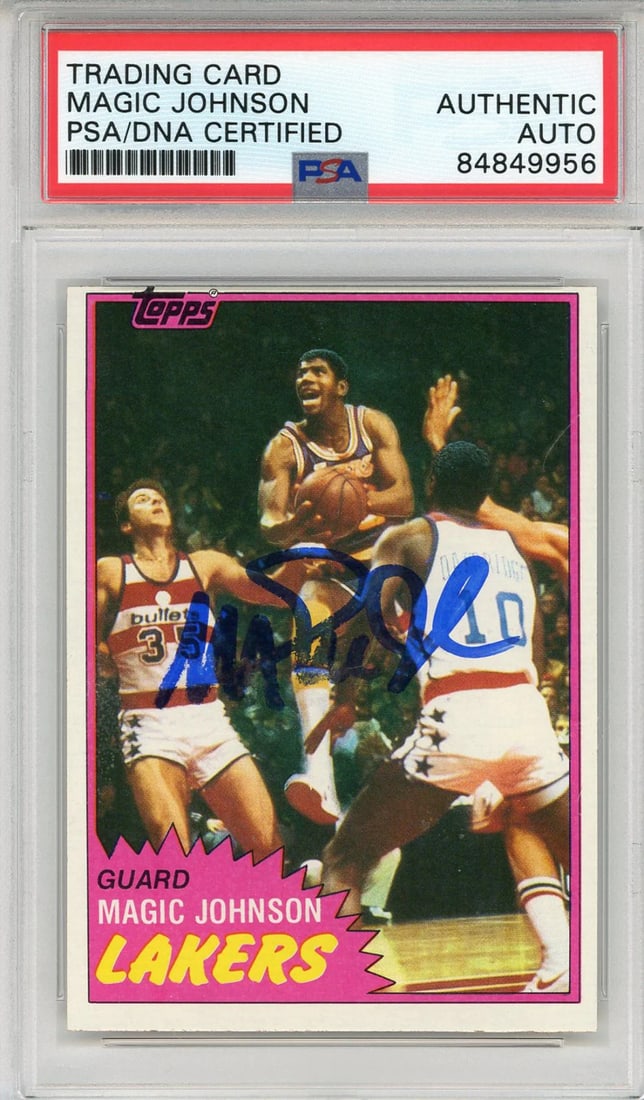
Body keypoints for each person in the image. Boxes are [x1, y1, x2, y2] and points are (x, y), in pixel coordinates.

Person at [322, 442, 571, 993]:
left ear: (431, 481)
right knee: (582, 853)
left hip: (457, 713)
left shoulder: (411, 536)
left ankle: (340, 990)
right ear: (484, 493)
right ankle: (562, 962)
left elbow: (367, 622)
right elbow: (534, 647)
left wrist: (345, 695)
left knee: (346, 855)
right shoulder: (512, 545)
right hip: (526, 713)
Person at [258, 349, 414, 824]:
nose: (305, 377)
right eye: (301, 372)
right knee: (308, 621)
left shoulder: (372, 424)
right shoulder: (283, 447)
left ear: (341, 386)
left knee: (426, 660)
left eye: (317, 371)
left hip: (386, 573)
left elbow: (404, 496)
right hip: (334, 576)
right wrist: (297, 525)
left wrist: (348, 498)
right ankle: (319, 775)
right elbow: (269, 523)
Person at [96, 479, 284, 859]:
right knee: (174, 852)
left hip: (207, 718)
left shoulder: (204, 564)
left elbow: (273, 592)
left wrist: (305, 562)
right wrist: (104, 659)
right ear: (127, 525)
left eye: (159, 498)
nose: (155, 502)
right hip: (150, 722)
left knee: (268, 850)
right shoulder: (112, 571)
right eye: (142, 500)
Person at [423, 375, 569, 585]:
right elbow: (486, 512)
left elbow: (483, 511)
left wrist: (437, 442)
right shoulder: (577, 547)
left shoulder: (581, 551)